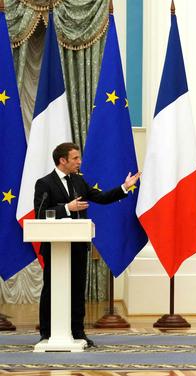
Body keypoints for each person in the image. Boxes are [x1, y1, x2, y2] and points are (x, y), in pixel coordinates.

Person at [34, 142, 141, 348]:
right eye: (75, 158)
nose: (79, 162)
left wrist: (123, 187)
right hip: (55, 248)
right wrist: (67, 207)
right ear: (62, 160)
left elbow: (100, 197)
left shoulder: (79, 181)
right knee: (51, 289)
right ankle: (46, 333)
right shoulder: (44, 183)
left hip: (78, 245)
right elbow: (40, 213)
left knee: (77, 289)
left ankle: (78, 332)